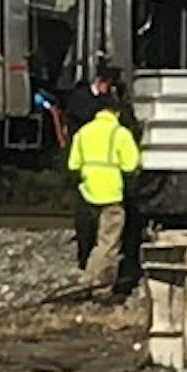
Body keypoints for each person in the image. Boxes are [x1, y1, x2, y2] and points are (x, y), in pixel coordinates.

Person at [66, 87, 141, 296]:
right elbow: (131, 164)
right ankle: (99, 287)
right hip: (111, 195)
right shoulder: (120, 134)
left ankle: (87, 279)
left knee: (94, 242)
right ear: (116, 112)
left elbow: (73, 164)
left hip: (88, 193)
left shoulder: (83, 133)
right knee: (108, 243)